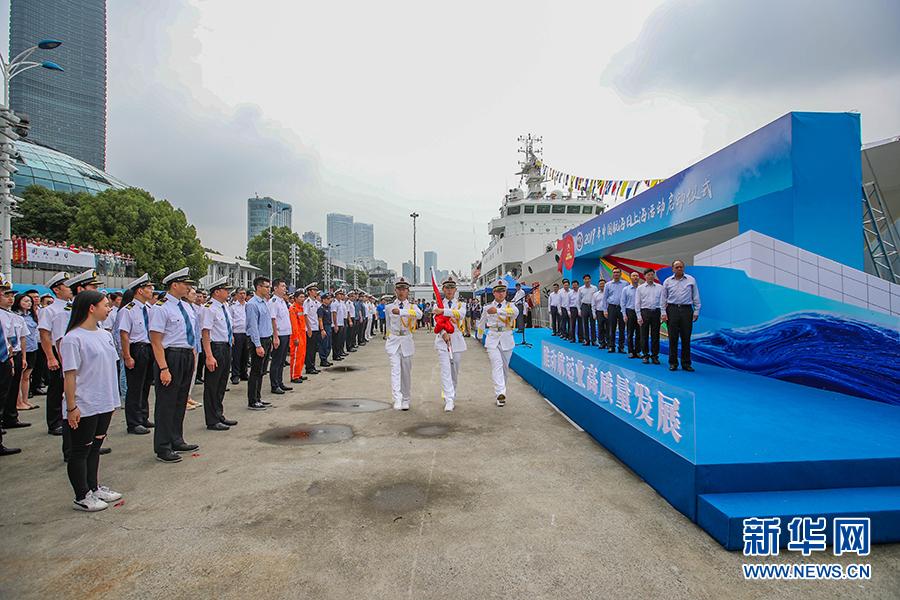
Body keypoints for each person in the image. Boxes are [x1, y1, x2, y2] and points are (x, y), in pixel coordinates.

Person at [60, 290, 122, 510]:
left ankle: (94, 488)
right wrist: (71, 407)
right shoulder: (72, 338)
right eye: (105, 305)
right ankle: (81, 496)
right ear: (91, 308)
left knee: (95, 446)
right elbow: (69, 376)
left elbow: (109, 369)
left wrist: (113, 401)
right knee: (80, 450)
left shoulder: (104, 334)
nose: (109, 308)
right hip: (84, 403)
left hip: (104, 401)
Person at [148, 268, 200, 463]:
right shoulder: (160, 308)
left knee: (180, 401)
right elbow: (155, 341)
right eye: (185, 284)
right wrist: (163, 368)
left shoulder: (186, 307)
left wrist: (192, 358)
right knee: (166, 403)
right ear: (174, 285)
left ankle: (176, 439)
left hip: (186, 355)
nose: (189, 287)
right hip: (171, 357)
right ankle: (163, 446)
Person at [117, 273, 157, 435]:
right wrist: (127, 356)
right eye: (148, 288)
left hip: (149, 348)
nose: (151, 291)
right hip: (136, 349)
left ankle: (143, 416)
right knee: (135, 387)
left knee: (146, 385)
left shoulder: (149, 309)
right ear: (139, 291)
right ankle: (133, 422)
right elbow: (124, 335)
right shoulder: (128, 310)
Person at [199, 277, 237, 430]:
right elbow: (205, 333)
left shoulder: (224, 306)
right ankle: (212, 419)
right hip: (214, 348)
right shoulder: (209, 308)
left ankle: (219, 414)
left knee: (221, 384)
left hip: (225, 346)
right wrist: (209, 355)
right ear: (217, 292)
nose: (228, 292)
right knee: (212, 385)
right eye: (226, 290)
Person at [39, 271, 72, 437]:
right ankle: (54, 422)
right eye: (66, 286)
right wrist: (51, 357)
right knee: (56, 388)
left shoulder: (73, 306)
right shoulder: (49, 310)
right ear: (57, 289)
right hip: (56, 350)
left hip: (71, 349)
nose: (70, 289)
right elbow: (45, 335)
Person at [477, 278, 519, 407]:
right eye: (498, 291)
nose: (501, 294)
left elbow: (515, 313)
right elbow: (482, 322)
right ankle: (500, 392)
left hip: (506, 337)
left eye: (503, 291)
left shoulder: (510, 306)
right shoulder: (487, 307)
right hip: (493, 338)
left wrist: (498, 311)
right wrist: (479, 335)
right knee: (497, 364)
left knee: (505, 368)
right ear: (494, 293)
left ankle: (500, 394)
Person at [384, 277, 422, 410]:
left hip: (406, 340)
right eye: (399, 289)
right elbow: (388, 326)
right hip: (394, 340)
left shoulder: (413, 307)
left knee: (406, 372)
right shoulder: (389, 307)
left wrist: (401, 312)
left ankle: (406, 398)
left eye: (404, 289)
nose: (401, 292)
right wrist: (388, 338)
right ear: (395, 290)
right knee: (395, 370)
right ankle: (397, 397)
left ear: (408, 291)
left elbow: (419, 315)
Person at [432, 275, 467, 412]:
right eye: (447, 287)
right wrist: (443, 333)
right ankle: (448, 398)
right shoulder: (437, 304)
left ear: (456, 289)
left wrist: (444, 311)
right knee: (445, 369)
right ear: (443, 289)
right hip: (442, 339)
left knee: (454, 370)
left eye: (452, 287)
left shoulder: (461, 304)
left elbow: (461, 314)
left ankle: (453, 393)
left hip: (457, 339)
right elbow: (436, 321)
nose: (450, 290)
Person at [661, 260, 701, 372]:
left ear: (684, 268)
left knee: (686, 337)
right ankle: (673, 363)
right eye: (677, 267)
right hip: (672, 310)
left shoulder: (691, 280)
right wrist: (663, 312)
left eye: (681, 267)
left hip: (686, 310)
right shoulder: (668, 281)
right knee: (673, 338)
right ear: (672, 269)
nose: (679, 269)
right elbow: (663, 298)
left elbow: (696, 296)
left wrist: (696, 311)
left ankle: (686, 363)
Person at [245, 276, 274, 410]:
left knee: (262, 371)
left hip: (266, 339)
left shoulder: (263, 302)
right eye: (266, 287)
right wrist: (257, 345)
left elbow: (266, 324)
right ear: (258, 287)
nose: (269, 289)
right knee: (255, 372)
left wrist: (271, 339)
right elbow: (253, 327)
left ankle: (258, 397)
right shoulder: (252, 304)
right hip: (259, 340)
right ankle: (252, 400)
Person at [0, 285, 27, 431]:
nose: (10, 298)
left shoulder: (15, 316)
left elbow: (21, 338)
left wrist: (23, 357)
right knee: (3, 391)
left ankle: (11, 417)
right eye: (6, 295)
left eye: (11, 296)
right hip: (5, 356)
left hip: (14, 355)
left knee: (13, 387)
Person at [13, 293, 39, 411]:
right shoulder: (16, 317)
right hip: (22, 349)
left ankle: (25, 400)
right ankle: (18, 401)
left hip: (32, 348)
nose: (28, 303)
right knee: (19, 376)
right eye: (25, 301)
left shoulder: (31, 316)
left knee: (27, 376)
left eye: (29, 301)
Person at [267, 279, 291, 395]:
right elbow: (273, 320)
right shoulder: (273, 302)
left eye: (285, 286)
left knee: (282, 361)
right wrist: (275, 336)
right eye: (282, 286)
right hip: (279, 335)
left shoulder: (282, 301)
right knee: (276, 361)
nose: (284, 288)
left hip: (286, 333)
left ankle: (280, 382)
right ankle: (274, 384)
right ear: (275, 288)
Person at [636, 268, 663, 365]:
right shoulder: (640, 288)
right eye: (649, 275)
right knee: (644, 335)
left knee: (655, 335)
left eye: (652, 274)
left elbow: (663, 302)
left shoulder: (660, 287)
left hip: (656, 312)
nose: (651, 276)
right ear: (645, 276)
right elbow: (637, 303)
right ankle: (645, 355)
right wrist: (639, 316)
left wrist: (663, 313)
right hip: (645, 312)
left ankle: (655, 356)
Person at [603, 268, 628, 354]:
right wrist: (605, 310)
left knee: (622, 327)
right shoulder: (608, 285)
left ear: (621, 274)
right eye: (614, 273)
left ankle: (621, 346)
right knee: (611, 327)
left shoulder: (625, 284)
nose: (616, 274)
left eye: (618, 272)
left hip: (622, 308)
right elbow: (605, 298)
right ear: (612, 274)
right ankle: (611, 346)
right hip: (612, 307)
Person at [230, 288, 249, 385]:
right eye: (240, 293)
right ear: (236, 295)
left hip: (246, 333)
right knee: (236, 355)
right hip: (237, 332)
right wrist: (231, 335)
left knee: (245, 355)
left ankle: (243, 373)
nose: (242, 295)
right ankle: (235, 375)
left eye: (244, 293)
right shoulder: (233, 307)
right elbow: (230, 321)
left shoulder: (248, 305)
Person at [302, 283, 322, 374]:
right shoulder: (307, 302)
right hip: (310, 329)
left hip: (315, 327)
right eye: (313, 290)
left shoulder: (314, 302)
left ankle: (312, 365)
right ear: (309, 292)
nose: (315, 292)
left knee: (314, 348)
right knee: (310, 349)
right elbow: (305, 315)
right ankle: (309, 367)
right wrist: (309, 328)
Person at [288, 290, 307, 384]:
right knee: (295, 356)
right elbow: (294, 325)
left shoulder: (301, 308)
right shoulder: (293, 309)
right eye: (301, 297)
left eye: (303, 297)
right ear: (295, 298)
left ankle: (298, 373)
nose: (302, 299)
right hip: (297, 334)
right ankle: (294, 376)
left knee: (302, 355)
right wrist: (295, 337)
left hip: (302, 334)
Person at [623, 272, 643, 359]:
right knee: (630, 333)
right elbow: (623, 302)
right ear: (630, 278)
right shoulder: (626, 289)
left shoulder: (642, 288)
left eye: (637, 276)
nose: (635, 277)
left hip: (640, 312)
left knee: (639, 333)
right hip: (630, 312)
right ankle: (631, 351)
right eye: (633, 276)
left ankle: (638, 351)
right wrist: (624, 314)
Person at [579, 274, 598, 347]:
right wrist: (579, 310)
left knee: (593, 324)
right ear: (583, 280)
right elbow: (579, 300)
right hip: (584, 306)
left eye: (588, 279)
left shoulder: (594, 288)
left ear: (590, 279)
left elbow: (595, 298)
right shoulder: (581, 289)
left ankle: (594, 340)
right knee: (585, 324)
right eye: (585, 279)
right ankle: (587, 340)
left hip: (592, 306)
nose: (587, 280)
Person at [317, 293, 334, 367]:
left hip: (329, 326)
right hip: (324, 326)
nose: (329, 300)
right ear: (323, 300)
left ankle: (326, 358)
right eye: (327, 299)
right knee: (323, 343)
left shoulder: (328, 308)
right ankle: (323, 359)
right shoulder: (321, 309)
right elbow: (320, 320)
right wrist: (322, 329)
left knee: (328, 343)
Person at [592, 280, 608, 350]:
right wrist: (594, 314)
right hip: (599, 312)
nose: (602, 285)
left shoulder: (609, 294)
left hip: (607, 312)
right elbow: (593, 305)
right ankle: (602, 342)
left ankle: (609, 343)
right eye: (601, 284)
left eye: (603, 284)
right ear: (598, 285)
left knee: (608, 328)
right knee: (600, 328)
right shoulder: (596, 294)